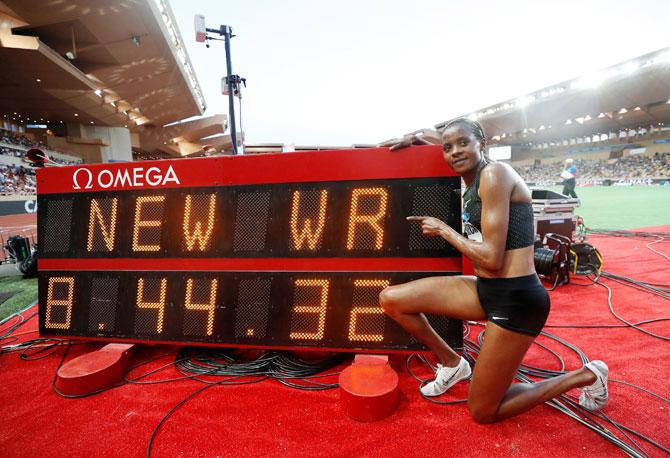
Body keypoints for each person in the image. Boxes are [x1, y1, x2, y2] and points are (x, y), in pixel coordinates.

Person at [379, 118, 608, 423]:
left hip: (517, 301)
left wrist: (445, 230)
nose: (454, 152)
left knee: (484, 411)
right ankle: (453, 363)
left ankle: (587, 375)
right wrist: (417, 137)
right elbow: (451, 142)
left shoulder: (494, 174)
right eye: (447, 148)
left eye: (463, 143)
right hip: (486, 290)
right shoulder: (474, 181)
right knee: (392, 299)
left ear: (482, 144)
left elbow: (491, 258)